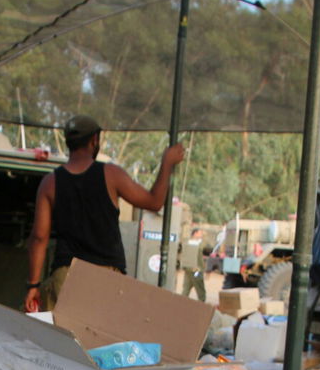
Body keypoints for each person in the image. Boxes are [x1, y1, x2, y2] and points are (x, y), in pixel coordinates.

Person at [25, 115, 185, 312]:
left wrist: (33, 285)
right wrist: (167, 164)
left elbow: (39, 237)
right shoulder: (111, 174)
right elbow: (154, 202)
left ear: (68, 143)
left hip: (66, 275)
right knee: (100, 341)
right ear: (94, 140)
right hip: (106, 277)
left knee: (61, 339)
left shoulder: (50, 183)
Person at [181, 227, 207, 302]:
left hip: (188, 268)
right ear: (195, 233)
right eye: (200, 233)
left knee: (186, 288)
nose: (201, 234)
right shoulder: (198, 244)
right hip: (196, 270)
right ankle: (202, 305)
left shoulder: (186, 242)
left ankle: (180, 303)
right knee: (200, 289)